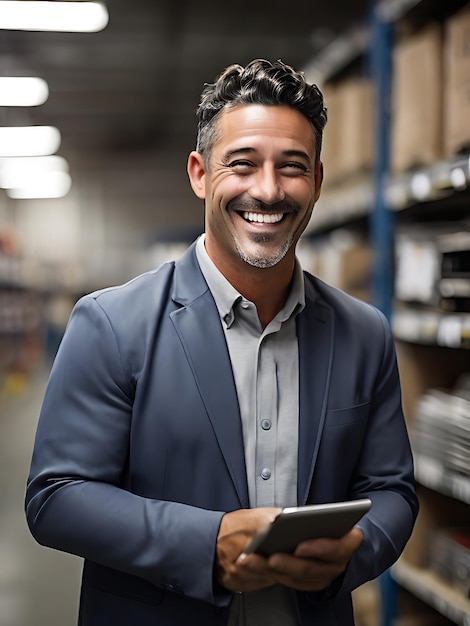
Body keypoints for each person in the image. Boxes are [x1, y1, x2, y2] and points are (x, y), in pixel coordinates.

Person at [25, 59, 418, 626]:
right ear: (200, 173)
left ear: (318, 182)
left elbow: (392, 491)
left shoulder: (364, 334)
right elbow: (56, 496)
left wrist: (354, 547)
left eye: (292, 167)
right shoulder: (111, 324)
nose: (268, 189)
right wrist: (206, 543)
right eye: (243, 164)